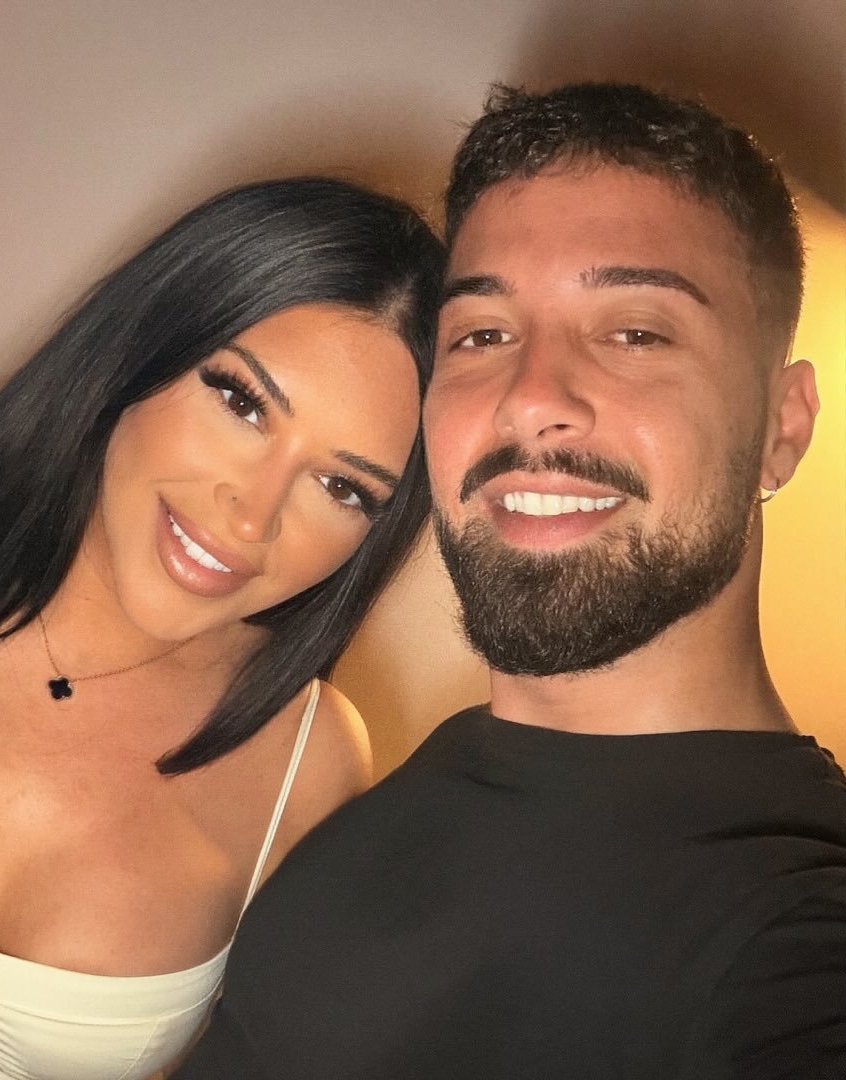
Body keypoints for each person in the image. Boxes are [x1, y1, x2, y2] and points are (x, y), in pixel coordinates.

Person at [173, 83, 846, 1079]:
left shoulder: (791, 932)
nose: (530, 400)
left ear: (781, 429)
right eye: (482, 335)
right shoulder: (407, 782)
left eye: (635, 332)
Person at [0, 176, 445, 1078]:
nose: (252, 516)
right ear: (141, 350)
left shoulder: (307, 763)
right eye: (242, 402)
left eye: (341, 487)